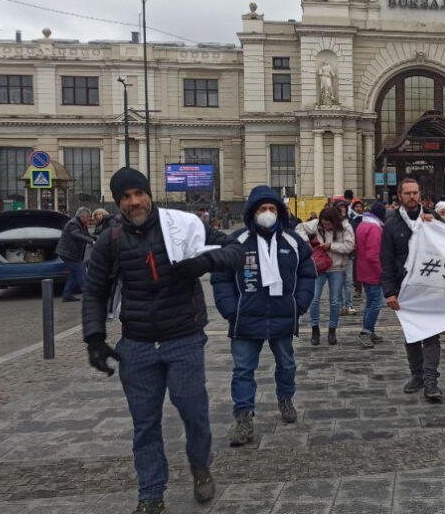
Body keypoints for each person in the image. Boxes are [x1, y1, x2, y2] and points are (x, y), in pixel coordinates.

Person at [82, 167, 244, 513]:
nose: (134, 201)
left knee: (194, 413)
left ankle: (200, 467)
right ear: (117, 203)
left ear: (149, 194)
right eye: (125, 197)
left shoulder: (181, 225)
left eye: (138, 193)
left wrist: (202, 262)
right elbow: (94, 290)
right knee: (145, 425)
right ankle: (151, 494)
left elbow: (233, 252)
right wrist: (94, 338)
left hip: (182, 339)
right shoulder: (110, 239)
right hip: (137, 344)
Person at [212, 186, 316, 447]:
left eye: (271, 209)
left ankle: (285, 398)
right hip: (245, 318)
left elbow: (307, 273)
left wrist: (299, 304)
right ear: (252, 213)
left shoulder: (292, 241)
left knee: (287, 364)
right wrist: (230, 309)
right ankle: (244, 417)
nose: (267, 213)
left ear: (279, 212)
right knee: (243, 370)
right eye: (262, 209)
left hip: (282, 315)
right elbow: (221, 277)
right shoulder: (237, 241)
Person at [381, 178, 444, 401]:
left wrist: (436, 225)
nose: (412, 197)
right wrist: (389, 291)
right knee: (412, 336)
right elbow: (386, 261)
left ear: (420, 194)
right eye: (407, 193)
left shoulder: (431, 218)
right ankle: (416, 375)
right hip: (405, 289)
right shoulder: (391, 225)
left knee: (431, 336)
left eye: (415, 193)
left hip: (430, 287)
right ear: (400, 196)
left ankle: (430, 381)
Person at [296, 206, 355, 346]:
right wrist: (305, 242)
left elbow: (350, 246)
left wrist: (331, 246)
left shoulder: (346, 227)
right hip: (319, 266)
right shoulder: (317, 224)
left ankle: (332, 330)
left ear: (335, 222)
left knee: (335, 301)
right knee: (314, 299)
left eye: (329, 224)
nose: (326, 226)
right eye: (324, 223)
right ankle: (314, 330)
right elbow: (299, 227)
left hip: (337, 267)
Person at [355, 202, 387, 348]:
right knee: (377, 302)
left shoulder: (363, 225)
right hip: (373, 271)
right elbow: (374, 255)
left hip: (363, 269)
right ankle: (366, 332)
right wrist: (382, 272)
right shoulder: (375, 229)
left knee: (370, 302)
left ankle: (370, 329)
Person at [57, 207, 95, 302]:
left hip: (73, 254)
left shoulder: (82, 224)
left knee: (73, 275)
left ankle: (66, 295)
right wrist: (92, 241)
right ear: (82, 217)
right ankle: (89, 296)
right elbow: (76, 234)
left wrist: (96, 238)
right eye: (88, 217)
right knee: (81, 272)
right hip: (68, 254)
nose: (90, 219)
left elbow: (87, 235)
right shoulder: (73, 224)